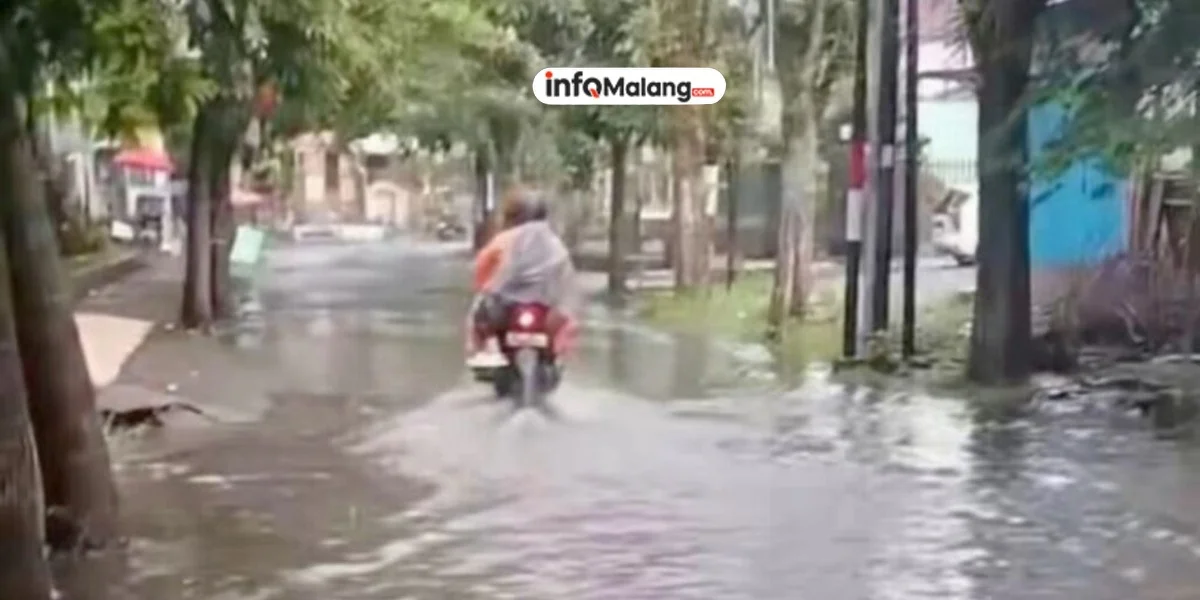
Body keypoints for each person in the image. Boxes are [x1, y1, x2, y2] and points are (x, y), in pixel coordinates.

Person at [465, 186, 578, 368]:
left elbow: (484, 268)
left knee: (480, 314)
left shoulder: (506, 239)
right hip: (546, 306)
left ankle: (486, 351)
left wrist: (485, 289)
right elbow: (567, 279)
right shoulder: (555, 241)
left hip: (510, 304)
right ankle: (556, 357)